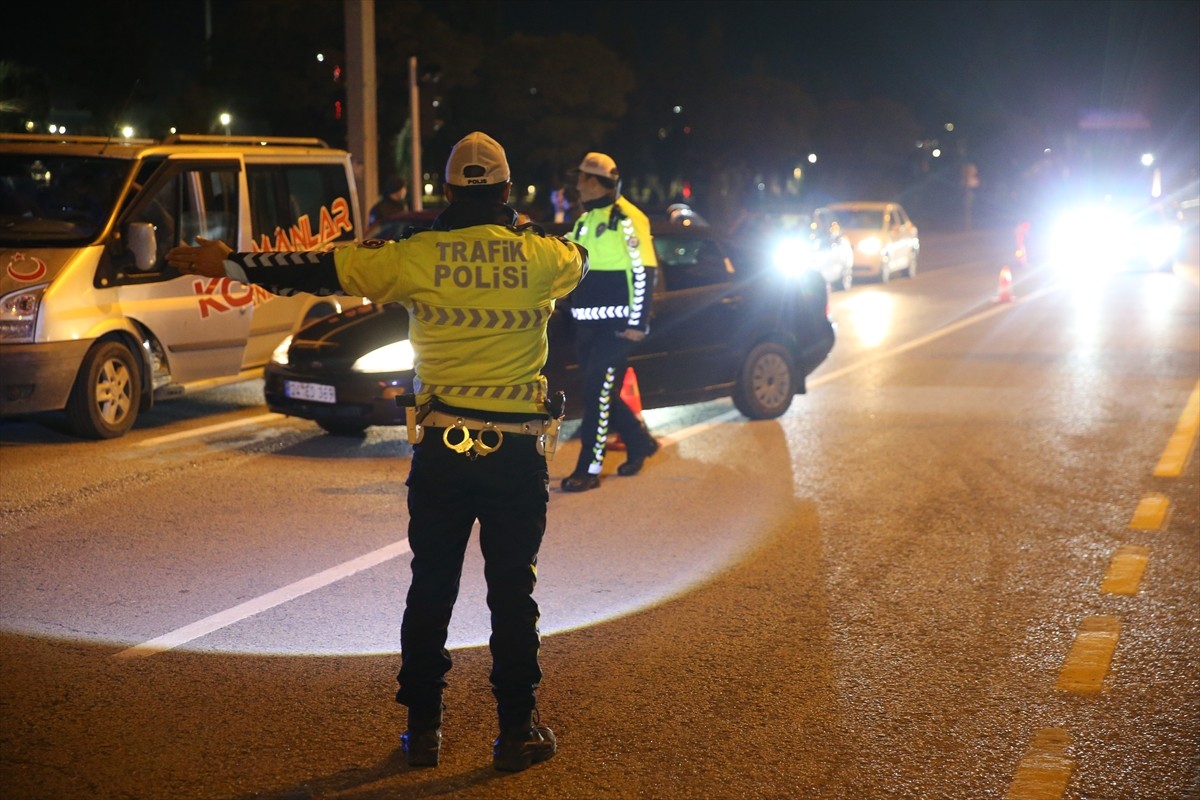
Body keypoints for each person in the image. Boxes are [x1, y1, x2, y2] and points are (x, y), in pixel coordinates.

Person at [166, 132, 587, 773]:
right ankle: (516, 731)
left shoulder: (414, 257)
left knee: (431, 589)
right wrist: (515, 223)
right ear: (505, 190)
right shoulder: (540, 257)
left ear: (446, 192)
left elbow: (319, 266)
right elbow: (577, 255)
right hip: (515, 453)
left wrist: (230, 262)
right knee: (512, 593)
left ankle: (423, 734)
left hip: (444, 450)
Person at [560, 152, 660, 492]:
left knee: (597, 396)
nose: (577, 185)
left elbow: (644, 271)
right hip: (586, 323)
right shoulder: (585, 221)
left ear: (593, 182)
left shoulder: (629, 219)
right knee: (601, 392)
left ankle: (589, 469)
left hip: (616, 326)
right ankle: (639, 441)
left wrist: (638, 321)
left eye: (581, 179)